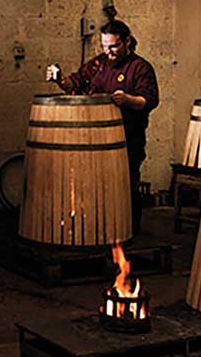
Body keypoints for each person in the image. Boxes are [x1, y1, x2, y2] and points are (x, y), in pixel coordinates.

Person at [46, 19, 160, 232]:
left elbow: (148, 100)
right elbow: (75, 83)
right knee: (96, 187)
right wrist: (59, 78)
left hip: (127, 139)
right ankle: (99, 229)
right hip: (95, 140)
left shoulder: (140, 68)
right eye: (105, 46)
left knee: (125, 185)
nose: (109, 52)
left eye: (114, 46)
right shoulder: (99, 64)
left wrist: (127, 99)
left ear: (127, 42)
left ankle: (128, 230)